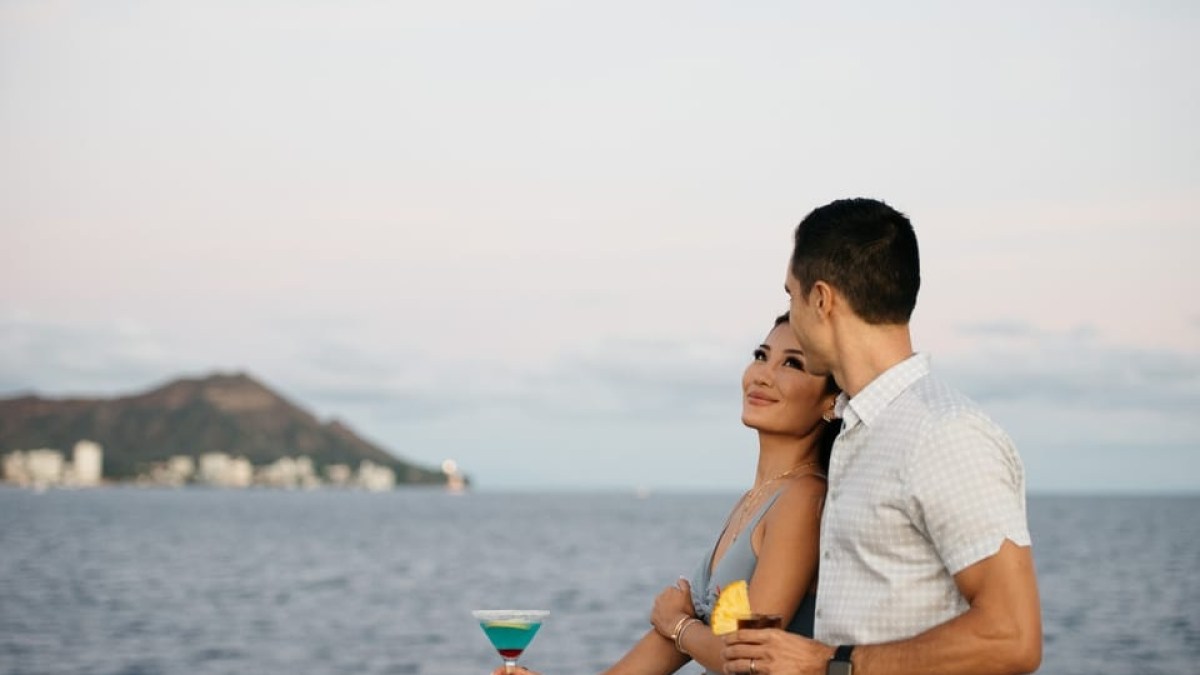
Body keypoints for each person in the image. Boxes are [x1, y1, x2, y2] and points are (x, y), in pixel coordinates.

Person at [722, 198, 1042, 675]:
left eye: (791, 295)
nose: (788, 310)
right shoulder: (859, 431)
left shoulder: (943, 434)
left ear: (822, 300)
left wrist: (835, 664)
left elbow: (1012, 638)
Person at [495, 313, 841, 675]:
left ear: (831, 402)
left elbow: (749, 662)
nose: (762, 375)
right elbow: (664, 645)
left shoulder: (804, 499)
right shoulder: (753, 501)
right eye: (760, 355)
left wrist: (678, 626)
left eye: (792, 363)